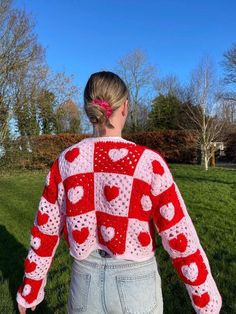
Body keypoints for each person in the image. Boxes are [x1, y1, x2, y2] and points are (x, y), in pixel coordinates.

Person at [16, 71, 222, 314]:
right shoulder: (149, 163)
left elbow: (45, 231)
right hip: (137, 286)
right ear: (125, 107)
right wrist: (205, 300)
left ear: (88, 110)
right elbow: (179, 234)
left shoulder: (67, 162)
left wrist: (30, 290)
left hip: (85, 283)